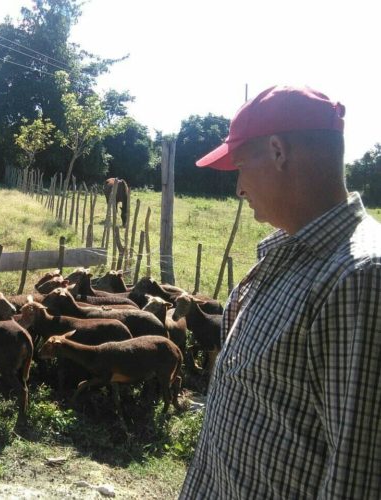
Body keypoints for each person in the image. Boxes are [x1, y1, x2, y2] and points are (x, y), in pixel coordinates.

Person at [179, 86, 381, 499]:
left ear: (277, 152)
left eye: (240, 166)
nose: (238, 188)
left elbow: (356, 477)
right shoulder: (291, 255)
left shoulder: (359, 277)